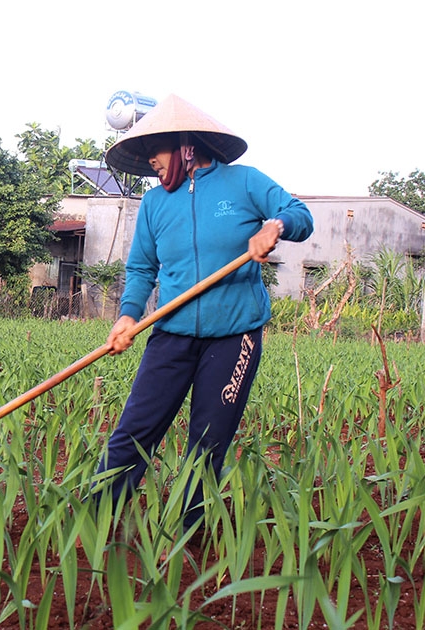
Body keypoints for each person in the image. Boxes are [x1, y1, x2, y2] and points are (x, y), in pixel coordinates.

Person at [95, 94, 314, 535]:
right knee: (134, 430)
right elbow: (141, 268)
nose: (150, 160)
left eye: (156, 149)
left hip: (234, 336)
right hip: (171, 333)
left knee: (207, 443)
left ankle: (187, 540)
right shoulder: (156, 203)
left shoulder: (244, 183)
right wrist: (127, 316)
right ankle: (94, 519)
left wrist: (275, 227)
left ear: (187, 146)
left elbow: (300, 214)